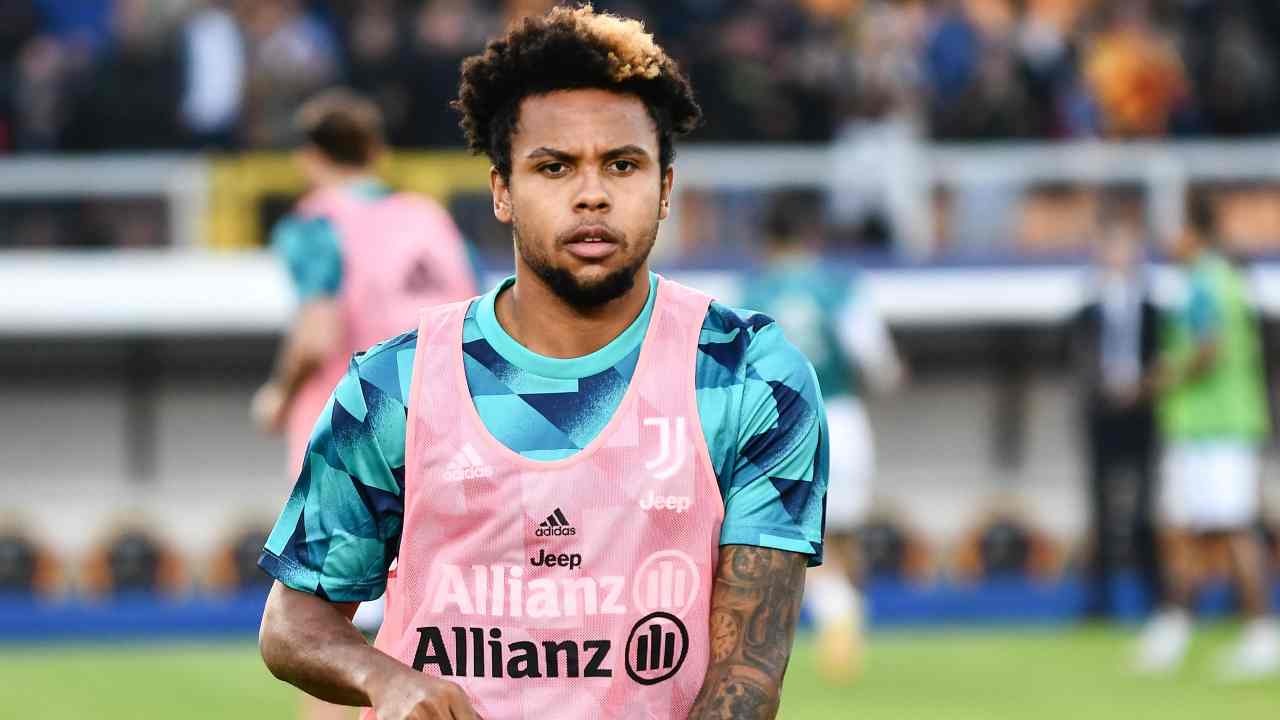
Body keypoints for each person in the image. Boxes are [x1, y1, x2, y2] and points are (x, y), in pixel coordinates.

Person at [256, 7, 827, 720]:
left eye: (622, 164)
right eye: (554, 167)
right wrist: (386, 679)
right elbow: (293, 621)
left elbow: (747, 675)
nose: (592, 193)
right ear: (502, 190)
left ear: (665, 188)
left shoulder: (749, 376)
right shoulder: (392, 385)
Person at [250, 89, 480, 720]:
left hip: (357, 438)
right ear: (376, 152)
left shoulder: (315, 224)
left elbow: (317, 332)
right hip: (456, 431)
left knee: (325, 624)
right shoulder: (430, 218)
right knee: (443, 621)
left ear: (307, 157)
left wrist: (278, 396)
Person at [742, 192, 902, 683]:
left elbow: (738, 365)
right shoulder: (841, 285)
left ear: (767, 240)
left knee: (799, 537)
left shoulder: (752, 290)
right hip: (844, 416)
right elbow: (876, 358)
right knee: (846, 532)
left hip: (785, 422)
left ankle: (838, 614)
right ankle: (849, 626)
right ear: (812, 236)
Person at [1135, 193, 1279, 679]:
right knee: (1189, 529)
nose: (1165, 240)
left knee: (1232, 529)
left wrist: (1161, 377)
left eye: (1172, 229)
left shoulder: (1205, 282)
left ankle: (1260, 633)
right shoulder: (1226, 278)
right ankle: (1175, 625)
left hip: (1216, 426)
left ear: (1192, 232)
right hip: (1210, 425)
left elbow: (1209, 348)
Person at [1069, 219, 1162, 617]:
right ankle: (1100, 602)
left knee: (1144, 509)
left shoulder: (1152, 310)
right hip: (1102, 415)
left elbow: (1161, 358)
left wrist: (1141, 388)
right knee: (1101, 509)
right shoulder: (1087, 312)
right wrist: (1103, 388)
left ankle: (1154, 598)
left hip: (1142, 415)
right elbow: (1079, 360)